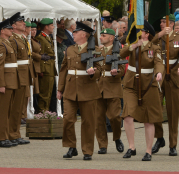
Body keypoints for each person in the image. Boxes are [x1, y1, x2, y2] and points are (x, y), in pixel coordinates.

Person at [119, 20, 164, 161]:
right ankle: (131, 147)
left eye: (141, 31)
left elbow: (159, 63)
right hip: (132, 82)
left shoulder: (154, 47)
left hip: (148, 84)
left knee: (149, 119)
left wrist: (159, 73)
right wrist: (134, 46)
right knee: (128, 114)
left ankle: (148, 150)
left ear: (146, 34)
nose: (138, 33)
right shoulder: (133, 45)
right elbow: (122, 53)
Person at [57, 21, 102, 161]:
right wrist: (60, 89)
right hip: (70, 90)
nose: (73, 34)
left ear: (84, 34)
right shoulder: (70, 49)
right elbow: (64, 69)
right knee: (68, 120)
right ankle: (71, 146)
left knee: (88, 122)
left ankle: (87, 150)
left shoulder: (94, 50)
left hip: (88, 89)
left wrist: (93, 71)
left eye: (75, 32)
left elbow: (100, 69)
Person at [151, 14, 179, 157]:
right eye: (160, 21)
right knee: (155, 109)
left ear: (171, 24)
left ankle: (173, 144)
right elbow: (149, 44)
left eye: (163, 22)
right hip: (159, 76)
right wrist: (160, 34)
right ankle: (159, 138)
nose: (161, 23)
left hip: (173, 76)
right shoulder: (156, 36)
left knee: (173, 113)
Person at [95, 28, 125, 155]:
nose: (101, 37)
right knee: (98, 119)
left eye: (104, 35)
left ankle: (117, 137)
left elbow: (122, 69)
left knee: (114, 117)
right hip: (98, 87)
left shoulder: (117, 51)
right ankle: (102, 145)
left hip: (113, 86)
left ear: (111, 38)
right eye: (101, 35)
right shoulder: (97, 51)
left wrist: (116, 72)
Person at [0, 19, 20, 148]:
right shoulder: (1, 45)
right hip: (6, 82)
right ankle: (0, 137)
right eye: (9, 29)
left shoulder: (7, 43)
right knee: (3, 111)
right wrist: (1, 84)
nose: (11, 30)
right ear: (2, 31)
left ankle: (7, 135)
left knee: (9, 110)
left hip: (12, 80)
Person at [8, 13, 32, 145]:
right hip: (18, 76)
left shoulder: (21, 38)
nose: (24, 24)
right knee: (16, 107)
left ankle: (16, 134)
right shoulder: (13, 39)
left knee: (20, 107)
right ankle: (12, 134)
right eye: (20, 22)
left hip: (24, 75)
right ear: (14, 26)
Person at [35, 18, 57, 112]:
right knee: (44, 93)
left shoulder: (47, 37)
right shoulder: (40, 38)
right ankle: (42, 112)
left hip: (50, 67)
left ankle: (46, 111)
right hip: (45, 68)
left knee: (49, 92)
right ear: (46, 27)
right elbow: (40, 55)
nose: (53, 27)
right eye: (52, 25)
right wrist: (41, 70)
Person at [30, 23, 41, 114]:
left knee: (36, 91)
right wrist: (40, 57)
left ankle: (36, 109)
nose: (34, 32)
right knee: (32, 90)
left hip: (37, 67)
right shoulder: (29, 40)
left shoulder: (35, 40)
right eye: (32, 30)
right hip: (32, 66)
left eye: (35, 30)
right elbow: (30, 52)